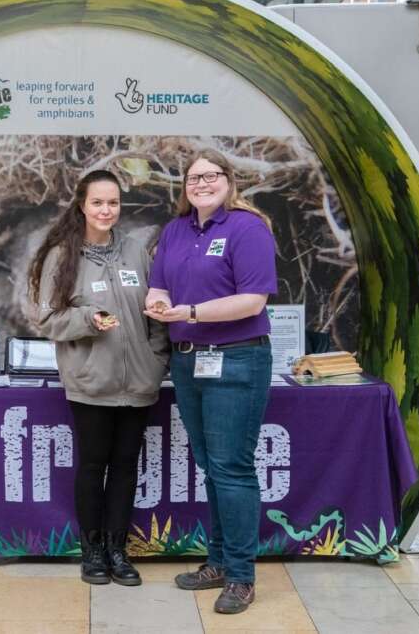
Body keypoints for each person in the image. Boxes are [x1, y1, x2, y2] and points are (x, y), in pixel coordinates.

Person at [144, 150, 277, 616]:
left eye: (210, 175)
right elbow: (159, 286)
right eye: (193, 177)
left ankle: (241, 576)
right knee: (211, 466)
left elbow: (253, 300)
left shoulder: (247, 227)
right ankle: (218, 562)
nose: (201, 183)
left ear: (229, 180)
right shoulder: (175, 230)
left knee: (232, 468)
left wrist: (193, 312)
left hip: (237, 358)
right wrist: (159, 304)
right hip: (187, 361)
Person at [28, 170, 169, 587]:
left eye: (113, 203)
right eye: (98, 203)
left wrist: (156, 360)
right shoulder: (62, 255)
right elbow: (47, 319)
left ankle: (118, 551)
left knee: (125, 468)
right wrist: (89, 319)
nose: (106, 210)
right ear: (82, 205)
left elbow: (156, 311)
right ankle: (92, 553)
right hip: (91, 383)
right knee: (92, 466)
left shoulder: (136, 251)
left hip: (139, 382)